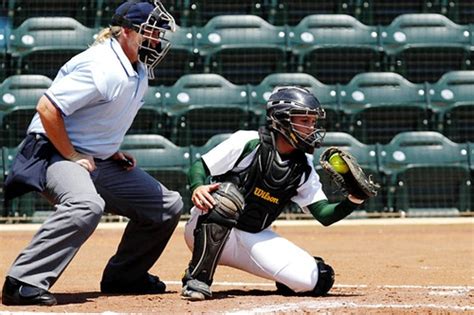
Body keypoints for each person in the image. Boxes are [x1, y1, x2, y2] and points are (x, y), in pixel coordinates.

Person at [2, 0, 182, 306]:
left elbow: (95, 120)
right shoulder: (101, 65)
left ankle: (125, 276)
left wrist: (110, 152)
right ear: (126, 31)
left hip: (92, 157)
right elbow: (47, 109)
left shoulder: (137, 67)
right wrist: (72, 155)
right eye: (150, 32)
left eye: (158, 33)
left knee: (166, 206)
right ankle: (23, 282)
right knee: (86, 205)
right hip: (51, 152)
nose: (156, 40)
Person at [180, 86, 373, 301]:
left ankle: (287, 275)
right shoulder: (248, 141)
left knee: (317, 279)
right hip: (206, 228)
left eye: (313, 122)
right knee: (226, 197)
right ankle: (197, 278)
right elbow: (201, 166)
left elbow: (324, 215)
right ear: (281, 119)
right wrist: (198, 186)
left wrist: (354, 199)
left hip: (254, 234)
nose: (312, 128)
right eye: (304, 121)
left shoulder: (304, 165)